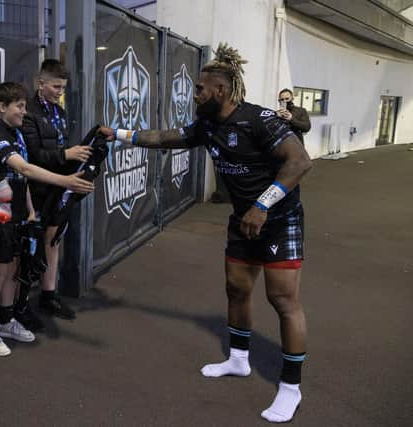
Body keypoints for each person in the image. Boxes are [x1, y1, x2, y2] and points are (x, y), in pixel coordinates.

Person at [99, 43, 313, 423]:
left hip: (279, 220)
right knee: (236, 289)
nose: (194, 93)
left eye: (199, 88)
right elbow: (166, 139)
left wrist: (263, 205)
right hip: (244, 221)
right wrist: (116, 133)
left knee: (283, 301)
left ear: (220, 91)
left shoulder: (260, 119)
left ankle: (290, 387)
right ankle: (238, 359)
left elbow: (299, 161)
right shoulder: (209, 125)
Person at [0, 82, 93, 356]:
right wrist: (66, 180)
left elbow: (23, 179)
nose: (23, 112)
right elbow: (25, 167)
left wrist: (30, 211)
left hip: (18, 212)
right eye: (19, 106)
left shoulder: (16, 134)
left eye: (25, 106)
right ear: (2, 107)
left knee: (15, 269)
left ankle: (5, 320)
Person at [18, 59, 92, 331]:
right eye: (56, 86)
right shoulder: (26, 111)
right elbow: (32, 156)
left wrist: (75, 160)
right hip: (34, 190)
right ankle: (20, 305)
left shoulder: (59, 112)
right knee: (31, 247)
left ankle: (48, 296)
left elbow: (57, 149)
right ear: (41, 83)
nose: (60, 91)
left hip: (58, 188)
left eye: (62, 86)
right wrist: (67, 154)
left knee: (54, 240)